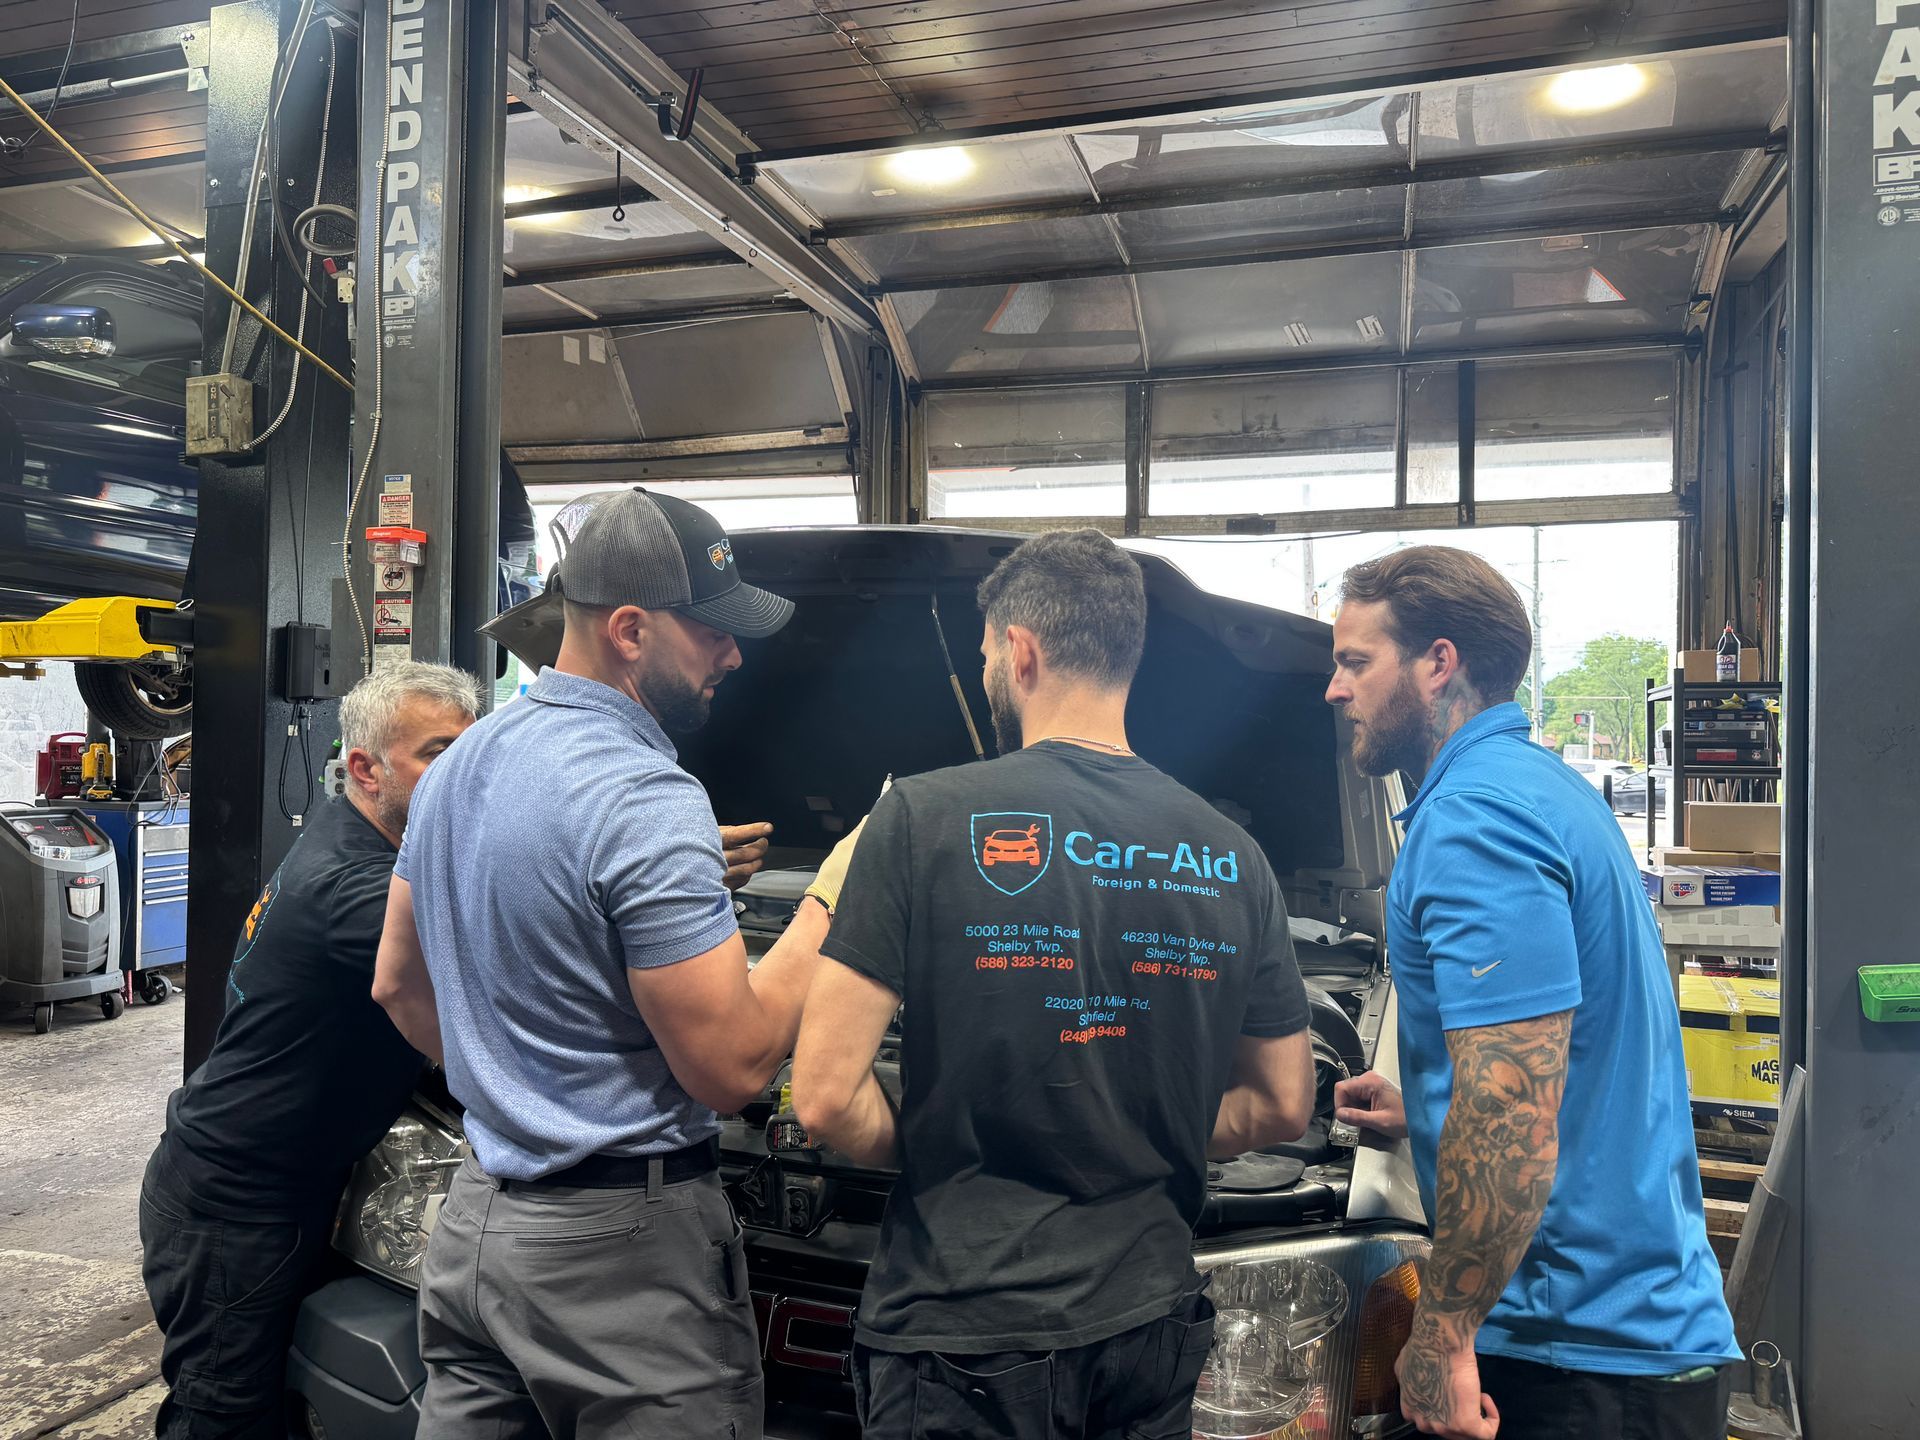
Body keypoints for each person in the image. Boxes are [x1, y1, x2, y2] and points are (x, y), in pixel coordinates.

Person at [792, 528, 1317, 1440]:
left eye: (989, 652)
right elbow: (1279, 1107)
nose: (990, 669)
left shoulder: (919, 817)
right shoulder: (1234, 857)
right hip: (1151, 1323)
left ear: (1022, 650)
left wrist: (941, 1141)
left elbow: (827, 1098)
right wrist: (1139, 1128)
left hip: (961, 1332)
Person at [371, 487, 856, 1439]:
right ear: (630, 629)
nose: (734, 654)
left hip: (477, 1229)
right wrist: (839, 892)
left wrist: (524, 1085)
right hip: (620, 1263)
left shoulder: (466, 760)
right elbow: (731, 1069)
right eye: (712, 631)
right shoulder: (644, 793)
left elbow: (398, 981)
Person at [1324, 546, 1738, 1440]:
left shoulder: (1475, 819)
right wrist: (1431, 1111)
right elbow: (1562, 1061)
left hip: (1577, 1354)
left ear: (1439, 663)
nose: (1334, 688)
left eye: (1356, 661)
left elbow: (1511, 1112)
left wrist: (1439, 1336)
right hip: (1622, 1334)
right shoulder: (1544, 789)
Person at [138, 662, 483, 1440]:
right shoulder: (353, 887)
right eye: (437, 752)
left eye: (473, 750)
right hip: (234, 1204)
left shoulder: (358, 834)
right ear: (365, 768)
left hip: (277, 1185)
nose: (464, 774)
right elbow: (508, 960)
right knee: (223, 1416)